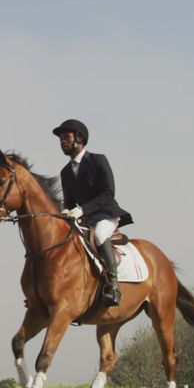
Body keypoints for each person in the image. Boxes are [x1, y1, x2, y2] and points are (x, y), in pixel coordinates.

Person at [52, 119, 133, 305]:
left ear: (79, 138)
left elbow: (108, 193)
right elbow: (69, 201)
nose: (62, 142)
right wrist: (65, 211)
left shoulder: (98, 160)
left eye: (66, 138)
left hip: (106, 214)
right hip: (85, 218)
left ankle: (113, 286)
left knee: (99, 237)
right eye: (60, 140)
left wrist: (81, 210)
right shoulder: (65, 172)